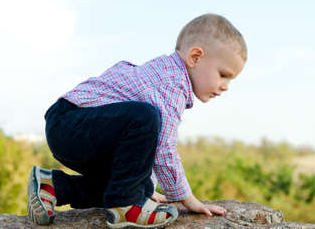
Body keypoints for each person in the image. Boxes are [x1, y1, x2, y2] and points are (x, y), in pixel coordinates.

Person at [27, 13, 247, 228]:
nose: (225, 86)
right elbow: (163, 148)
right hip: (71, 123)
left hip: (76, 129)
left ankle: (54, 186)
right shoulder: (171, 83)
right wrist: (185, 197)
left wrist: (145, 191)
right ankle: (125, 206)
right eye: (223, 74)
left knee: (130, 185)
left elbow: (141, 151)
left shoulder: (169, 78)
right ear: (195, 57)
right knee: (145, 117)